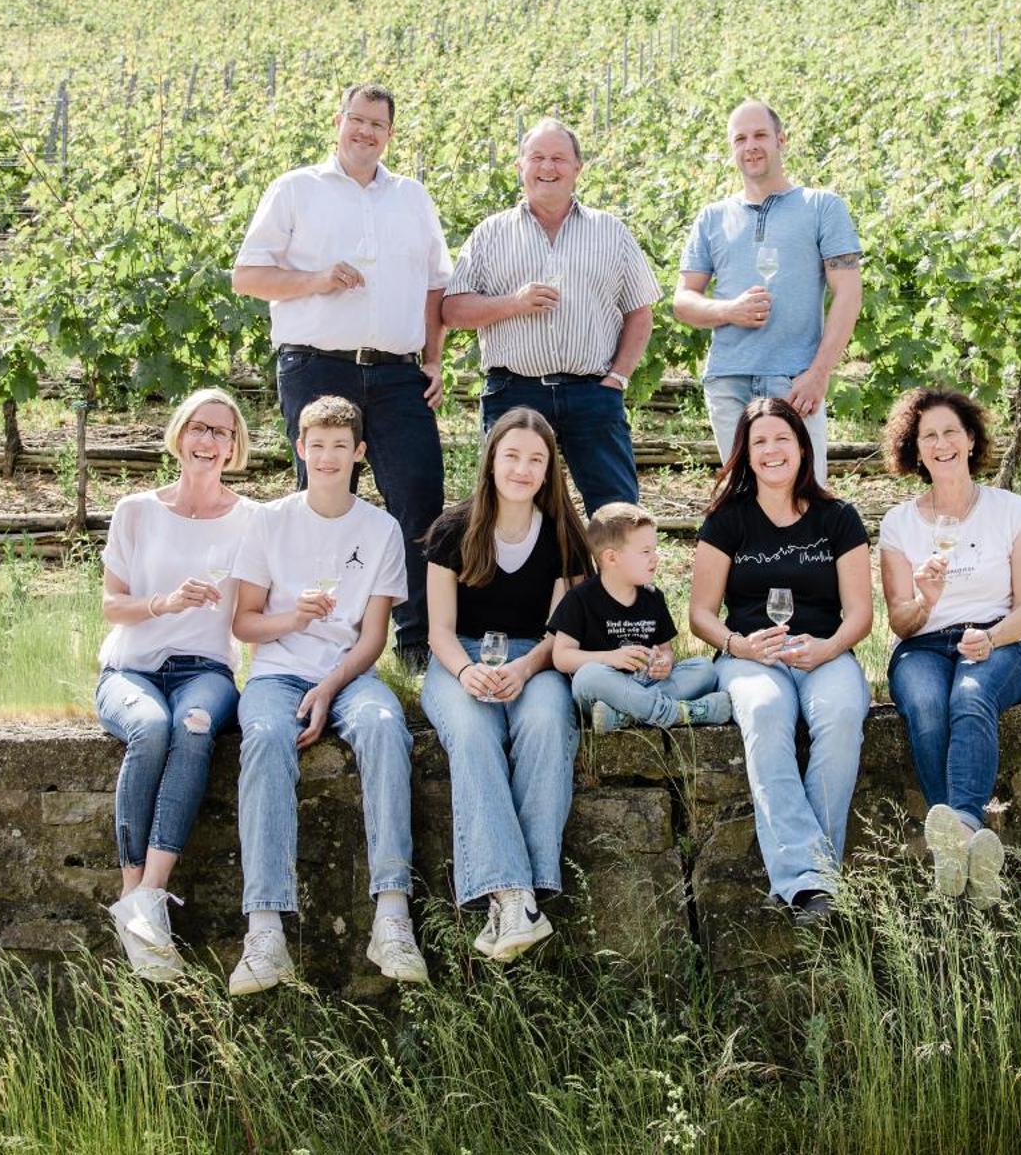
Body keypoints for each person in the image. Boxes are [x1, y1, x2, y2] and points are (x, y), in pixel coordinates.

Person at [232, 81, 450, 666]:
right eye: (357, 120)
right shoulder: (296, 189)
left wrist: (433, 357)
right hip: (317, 367)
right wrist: (317, 280)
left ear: (390, 134)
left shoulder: (412, 198)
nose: (366, 132)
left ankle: (416, 646)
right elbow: (247, 277)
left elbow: (436, 284)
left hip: (398, 374)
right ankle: (319, 644)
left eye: (378, 125)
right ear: (339, 121)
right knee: (325, 501)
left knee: (420, 501)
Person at [227, 396, 428, 992]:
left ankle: (391, 916)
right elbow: (244, 624)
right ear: (301, 449)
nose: (329, 456)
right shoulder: (268, 521)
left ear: (359, 453)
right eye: (318, 445)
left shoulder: (381, 528)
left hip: (348, 675)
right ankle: (264, 931)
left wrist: (330, 686)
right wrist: (290, 619)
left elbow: (372, 638)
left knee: (386, 728)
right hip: (274, 673)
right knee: (264, 737)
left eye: (341, 446)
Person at [688, 397, 873, 923]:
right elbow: (701, 614)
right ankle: (814, 882)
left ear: (801, 447)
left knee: (841, 714)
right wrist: (739, 646)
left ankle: (808, 882)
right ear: (746, 454)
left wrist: (830, 648)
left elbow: (861, 612)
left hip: (825, 650)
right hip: (750, 655)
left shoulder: (838, 517)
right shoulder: (727, 520)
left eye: (782, 439)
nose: (772, 450)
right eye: (760, 441)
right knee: (766, 712)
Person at [420, 407, 594, 962]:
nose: (522, 468)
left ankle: (518, 898)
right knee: (472, 731)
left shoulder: (566, 535)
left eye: (536, 460)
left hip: (538, 658)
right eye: (512, 455)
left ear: (549, 471)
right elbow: (439, 631)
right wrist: (468, 672)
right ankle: (517, 895)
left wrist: (523, 669)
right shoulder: (453, 530)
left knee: (546, 720)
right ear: (492, 458)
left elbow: (559, 631)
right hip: (459, 659)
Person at [95, 388, 256, 981]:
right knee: (152, 727)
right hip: (130, 668)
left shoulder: (251, 520)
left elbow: (253, 615)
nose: (209, 442)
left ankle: (147, 900)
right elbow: (112, 607)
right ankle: (130, 890)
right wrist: (162, 603)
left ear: (234, 447)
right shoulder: (136, 509)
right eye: (200, 428)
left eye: (222, 433)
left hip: (205, 670)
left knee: (191, 726)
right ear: (180, 435)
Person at [440, 118, 659, 513]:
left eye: (559, 158)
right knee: (508, 510)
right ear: (520, 167)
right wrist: (514, 303)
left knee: (617, 511)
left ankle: (621, 578)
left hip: (593, 392)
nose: (548, 167)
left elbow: (640, 313)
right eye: (537, 157)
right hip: (514, 393)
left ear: (577, 168)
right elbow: (453, 310)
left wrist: (617, 378)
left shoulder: (611, 232)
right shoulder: (490, 234)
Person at [878, 387, 1021, 910]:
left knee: (970, 698)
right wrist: (925, 600)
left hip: (997, 639)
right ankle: (971, 850)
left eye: (951, 431)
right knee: (926, 704)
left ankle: (961, 831)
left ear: (970, 439)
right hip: (923, 645)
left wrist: (991, 637)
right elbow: (901, 624)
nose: (942, 443)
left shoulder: (1012, 512)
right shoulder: (899, 525)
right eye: (929, 436)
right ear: (915, 450)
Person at [673, 99, 862, 485]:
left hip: (794, 382)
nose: (750, 146)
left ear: (781, 140)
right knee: (742, 503)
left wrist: (818, 373)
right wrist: (729, 311)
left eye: (760, 135)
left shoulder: (822, 207)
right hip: (729, 379)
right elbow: (683, 301)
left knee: (805, 500)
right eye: (740, 138)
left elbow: (848, 293)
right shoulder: (711, 217)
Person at [552, 501, 731, 732]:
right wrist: (610, 658)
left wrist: (664, 663)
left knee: (704, 668)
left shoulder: (652, 597)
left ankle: (624, 717)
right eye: (646, 552)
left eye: (654, 550)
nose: (655, 558)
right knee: (586, 677)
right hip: (606, 690)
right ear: (611, 558)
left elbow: (665, 650)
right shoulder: (580, 599)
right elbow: (561, 657)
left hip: (647, 684)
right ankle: (677, 712)